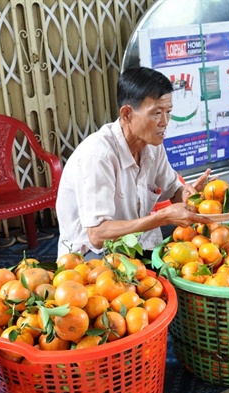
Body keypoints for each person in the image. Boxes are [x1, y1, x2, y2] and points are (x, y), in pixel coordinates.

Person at [55, 66, 212, 259]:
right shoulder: (98, 156)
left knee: (202, 246)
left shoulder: (153, 145)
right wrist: (160, 218)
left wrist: (187, 195)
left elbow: (174, 189)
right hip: (92, 253)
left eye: (168, 111)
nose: (165, 121)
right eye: (156, 113)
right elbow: (97, 235)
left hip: (138, 240)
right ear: (127, 114)